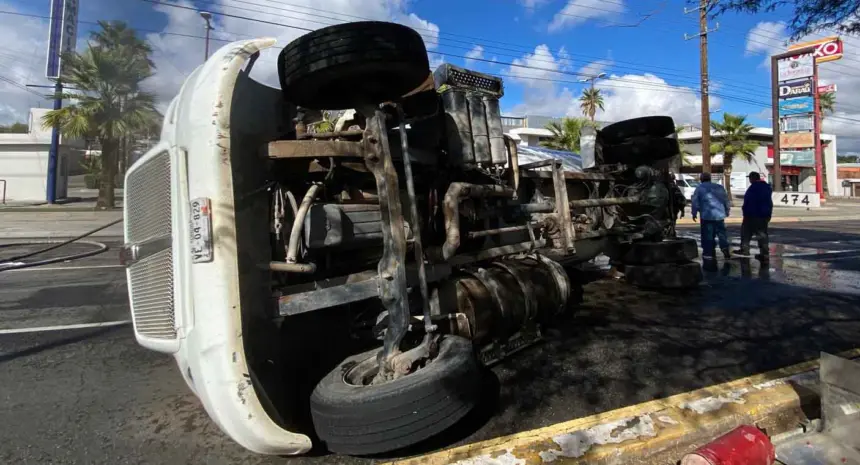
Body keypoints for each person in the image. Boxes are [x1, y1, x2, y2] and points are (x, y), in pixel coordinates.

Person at [691, 172, 731, 259]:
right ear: (710, 179)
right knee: (721, 234)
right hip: (719, 215)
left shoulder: (699, 188)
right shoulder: (719, 187)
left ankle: (709, 253)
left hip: (707, 216)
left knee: (708, 235)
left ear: (701, 179)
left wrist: (694, 213)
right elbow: (726, 200)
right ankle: (725, 249)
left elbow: (695, 202)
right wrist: (727, 211)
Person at [735, 171, 773, 260]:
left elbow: (749, 201)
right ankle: (764, 252)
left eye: (750, 178)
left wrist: (745, 211)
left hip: (752, 214)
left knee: (746, 232)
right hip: (764, 214)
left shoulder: (753, 188)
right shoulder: (766, 187)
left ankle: (745, 249)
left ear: (752, 178)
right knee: (762, 234)